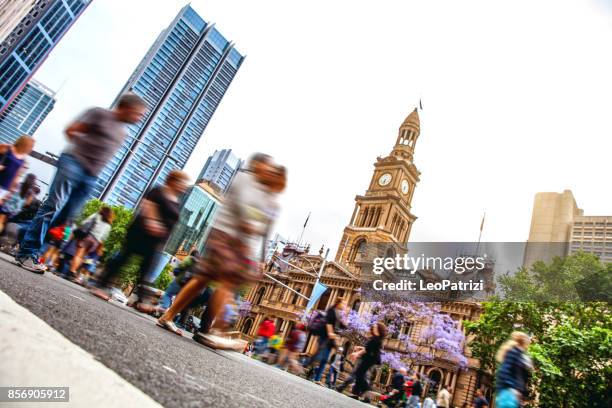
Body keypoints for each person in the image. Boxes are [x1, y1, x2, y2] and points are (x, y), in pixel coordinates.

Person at [157, 155, 285, 344]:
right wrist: (250, 223)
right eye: (267, 167)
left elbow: (266, 230)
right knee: (224, 282)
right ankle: (210, 330)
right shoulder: (244, 179)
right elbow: (241, 206)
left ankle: (176, 319)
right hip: (224, 235)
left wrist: (263, 258)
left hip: (239, 244)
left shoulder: (270, 199)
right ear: (257, 165)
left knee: (205, 280)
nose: (269, 172)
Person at [15, 94, 147, 272]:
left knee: (66, 216)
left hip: (91, 176)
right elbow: (71, 130)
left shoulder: (123, 133)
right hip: (73, 162)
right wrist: (79, 151)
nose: (140, 118)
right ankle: (27, 252)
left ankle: (24, 232)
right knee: (54, 205)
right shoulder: (100, 114)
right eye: (138, 113)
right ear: (126, 107)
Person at [90, 170, 189, 309]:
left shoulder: (177, 201)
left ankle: (141, 300)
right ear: (173, 180)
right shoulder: (158, 191)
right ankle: (100, 285)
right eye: (182, 182)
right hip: (140, 234)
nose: (184, 186)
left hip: (156, 242)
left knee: (147, 269)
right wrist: (152, 221)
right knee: (123, 258)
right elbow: (147, 205)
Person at [337, 321, 387, 401]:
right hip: (368, 359)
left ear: (378, 329)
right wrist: (359, 351)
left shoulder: (376, 339)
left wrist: (357, 354)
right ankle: (356, 394)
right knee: (359, 374)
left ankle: (367, 393)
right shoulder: (376, 338)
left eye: (375, 326)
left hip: (369, 360)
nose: (373, 327)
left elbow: (367, 349)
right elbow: (367, 348)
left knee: (360, 374)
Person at [68, 207, 113, 280]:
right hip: (95, 242)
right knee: (82, 257)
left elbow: (85, 223)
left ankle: (71, 271)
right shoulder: (108, 225)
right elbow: (104, 238)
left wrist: (81, 231)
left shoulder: (97, 215)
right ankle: (74, 271)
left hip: (88, 237)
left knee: (78, 255)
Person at [312, 297, 348, 384]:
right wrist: (330, 333)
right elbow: (328, 323)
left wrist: (346, 315)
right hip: (326, 337)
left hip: (330, 338)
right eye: (343, 303)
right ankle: (310, 369)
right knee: (321, 357)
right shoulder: (332, 311)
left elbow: (343, 326)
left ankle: (317, 378)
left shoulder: (338, 313)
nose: (344, 306)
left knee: (323, 358)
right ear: (338, 303)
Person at [495, 331, 533, 408]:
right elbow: (504, 371)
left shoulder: (520, 354)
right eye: (527, 339)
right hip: (510, 393)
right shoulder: (513, 352)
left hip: (515, 393)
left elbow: (521, 376)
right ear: (524, 341)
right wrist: (511, 388)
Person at [0, 136, 35, 204]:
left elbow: (17, 176)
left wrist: (10, 192)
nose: (31, 148)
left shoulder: (23, 160)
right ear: (24, 143)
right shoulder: (7, 147)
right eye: (30, 146)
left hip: (5, 186)